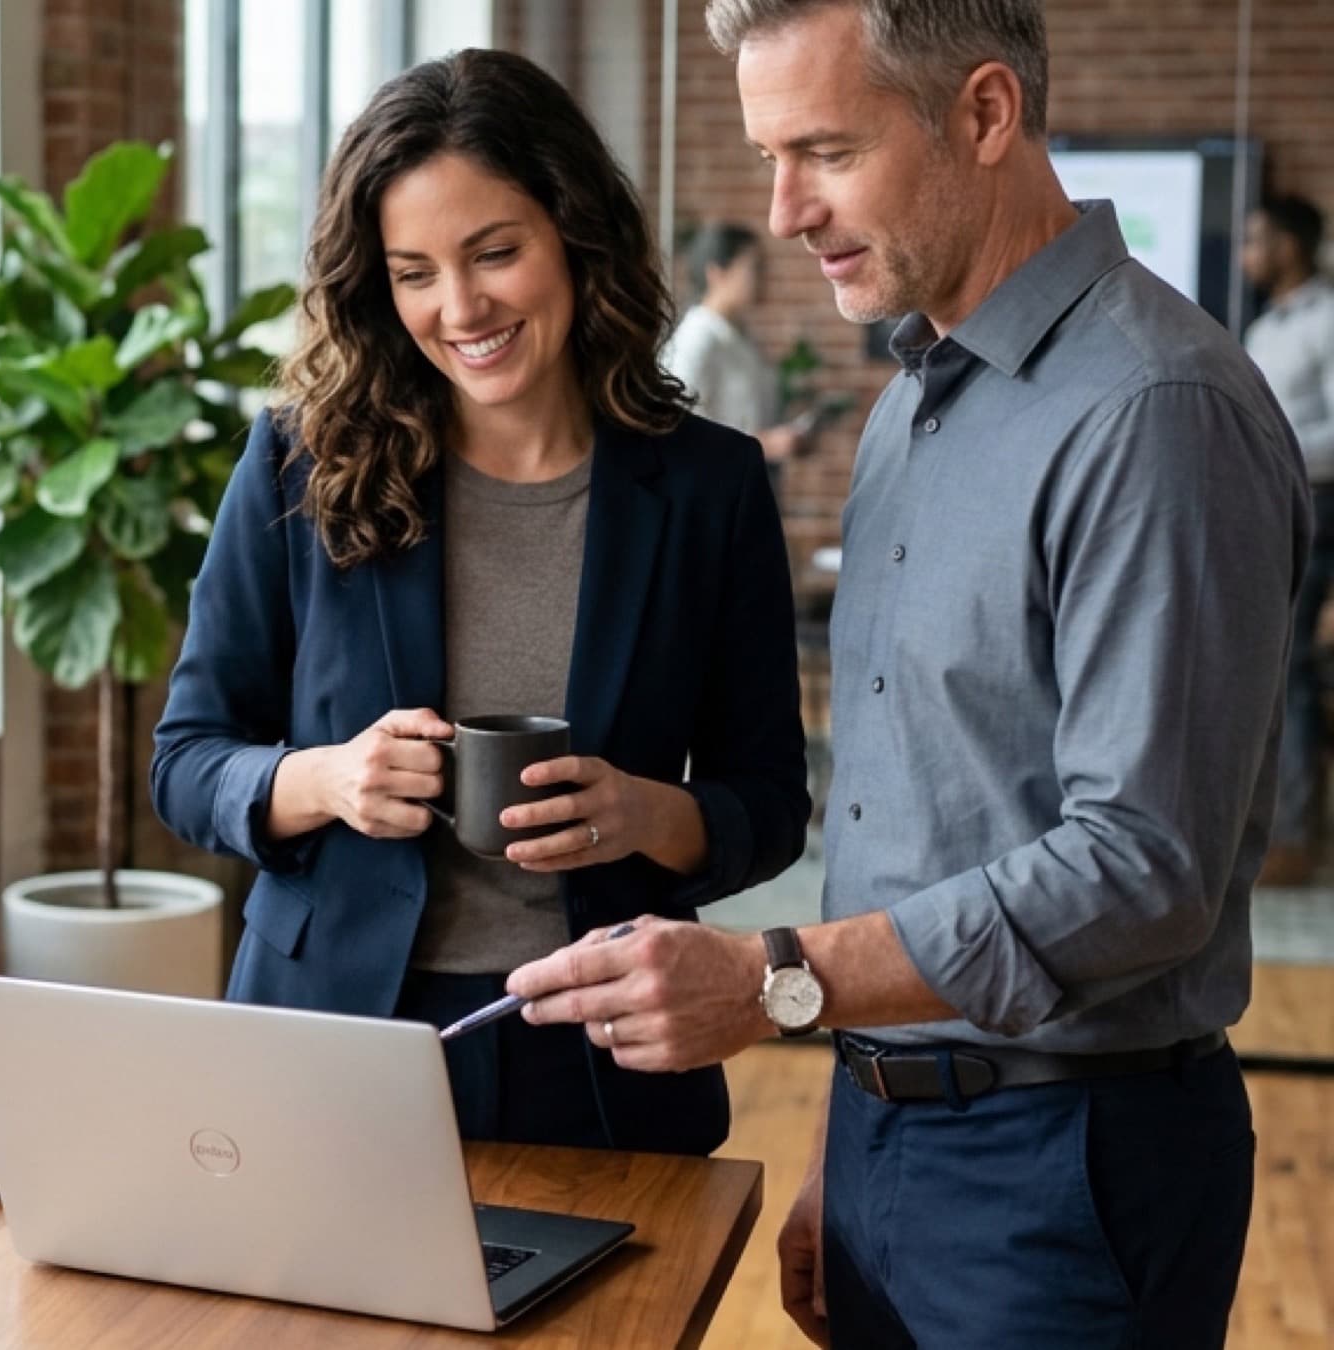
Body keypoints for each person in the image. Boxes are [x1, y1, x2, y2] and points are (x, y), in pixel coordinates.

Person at [502, 2, 1308, 1346]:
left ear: (986, 113)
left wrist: (765, 977)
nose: (783, 213)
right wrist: (853, 1123)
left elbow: (1142, 867)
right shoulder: (913, 405)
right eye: (771, 159)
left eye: (826, 152)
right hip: (895, 1136)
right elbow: (909, 827)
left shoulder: (1155, 410)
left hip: (1069, 1170)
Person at [149, 48, 809, 1157]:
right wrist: (326, 779)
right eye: (413, 272)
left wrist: (644, 813)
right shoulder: (298, 465)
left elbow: (772, 802)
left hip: (603, 1053)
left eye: (496, 252)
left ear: (576, 236)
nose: (460, 308)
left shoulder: (709, 487)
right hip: (330, 1044)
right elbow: (186, 762)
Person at [1242, 194, 1334, 885]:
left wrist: (1268, 446)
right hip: (1268, 505)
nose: (1246, 253)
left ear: (1290, 247)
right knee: (1268, 669)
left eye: (1257, 239)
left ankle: (1297, 841)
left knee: (1293, 671)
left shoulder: (1326, 320)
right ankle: (1269, 831)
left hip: (1318, 506)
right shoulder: (1265, 324)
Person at [662, 222, 812, 463]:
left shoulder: (740, 335)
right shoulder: (696, 339)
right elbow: (677, 433)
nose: (764, 278)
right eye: (755, 267)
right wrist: (767, 445)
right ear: (716, 273)